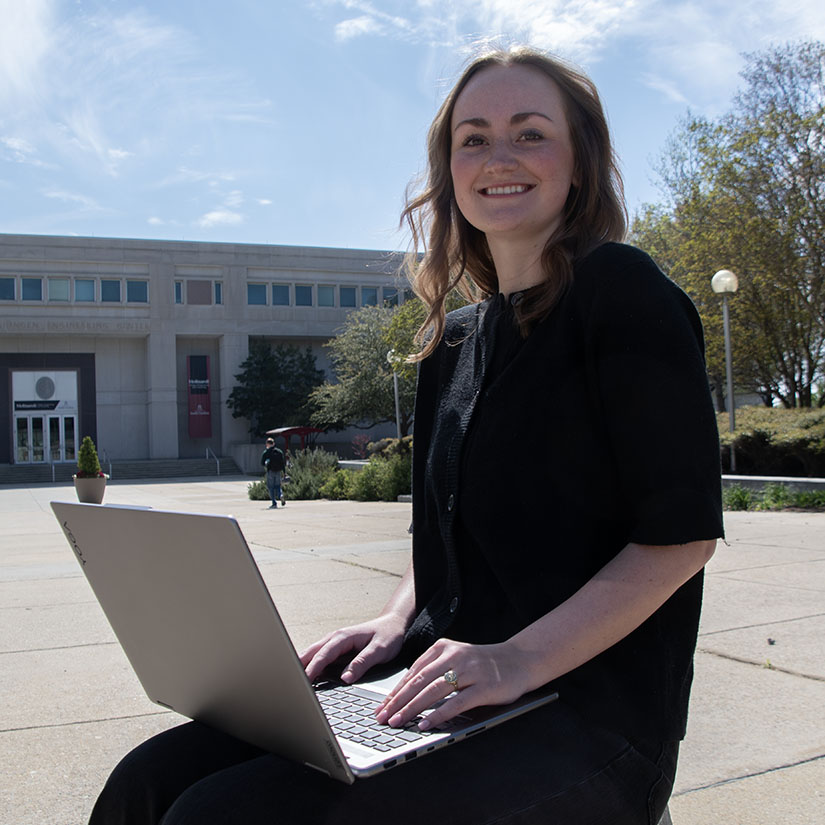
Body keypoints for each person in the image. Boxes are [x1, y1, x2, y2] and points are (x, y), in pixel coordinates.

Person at [86, 45, 723, 825]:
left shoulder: (622, 292)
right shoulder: (453, 341)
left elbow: (678, 538)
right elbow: (440, 534)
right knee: (146, 782)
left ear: (580, 162)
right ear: (449, 167)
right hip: (440, 685)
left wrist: (513, 658)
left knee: (221, 816)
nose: (499, 157)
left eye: (530, 133)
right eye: (473, 137)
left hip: (582, 712)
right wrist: (395, 620)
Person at [261, 437, 286, 508]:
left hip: (270, 471)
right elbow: (282, 463)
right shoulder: (279, 452)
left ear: (267, 444)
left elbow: (262, 463)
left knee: (271, 487)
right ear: (274, 443)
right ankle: (281, 495)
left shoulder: (266, 452)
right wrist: (284, 472)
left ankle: (274, 503)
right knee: (278, 486)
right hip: (278, 471)